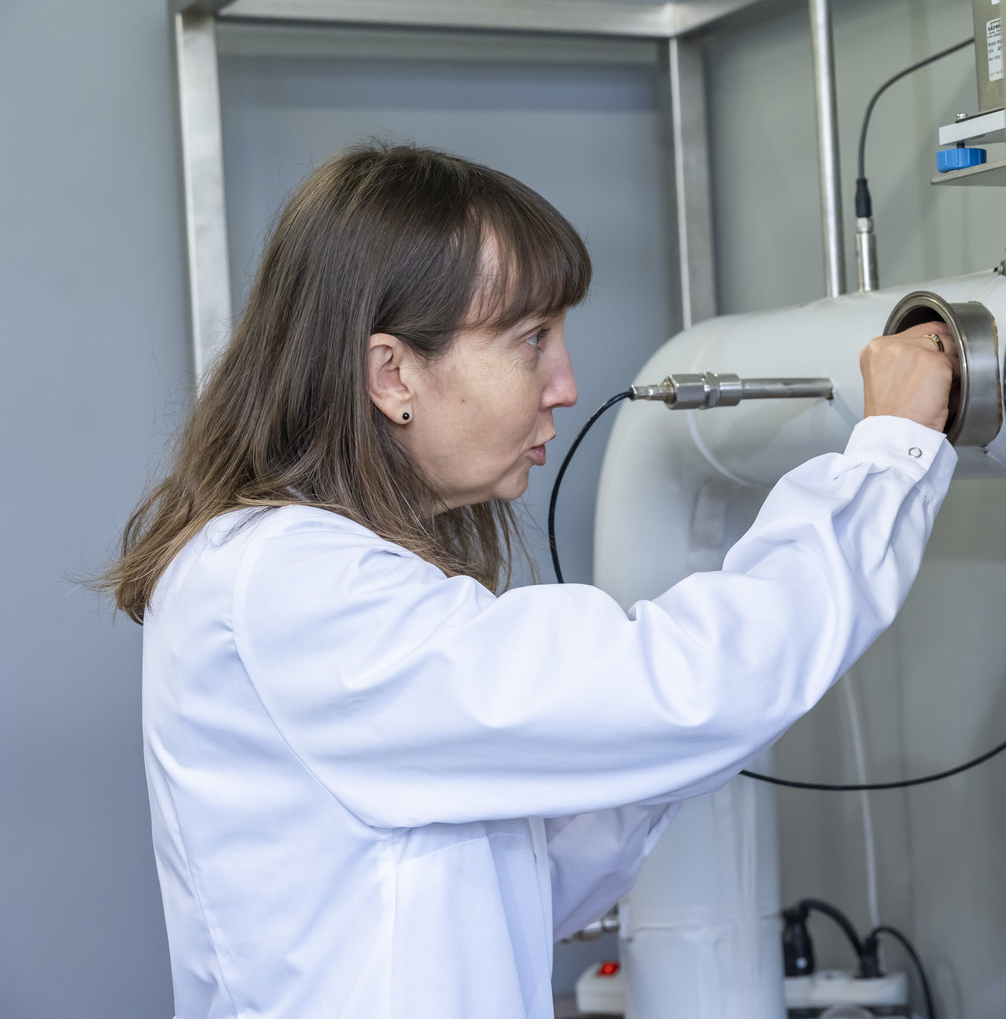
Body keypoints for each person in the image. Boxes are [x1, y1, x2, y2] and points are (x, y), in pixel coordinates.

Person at [106, 143, 957, 1019]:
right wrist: (889, 457)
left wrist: (644, 751)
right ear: (392, 374)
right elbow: (684, 681)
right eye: (531, 340)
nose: (566, 385)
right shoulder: (292, 586)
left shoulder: (299, 576)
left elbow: (514, 889)